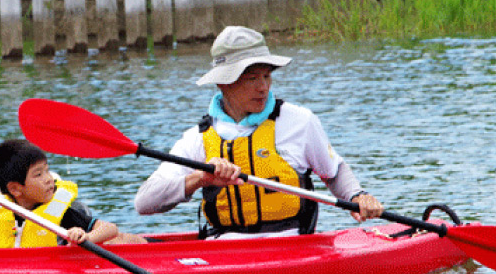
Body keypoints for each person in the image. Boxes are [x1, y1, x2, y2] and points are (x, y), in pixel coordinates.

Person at [134, 26, 384, 239]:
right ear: (223, 82)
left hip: (292, 249)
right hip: (227, 254)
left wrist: (357, 195)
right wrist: (201, 178)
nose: (263, 87)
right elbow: (144, 202)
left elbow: (334, 171)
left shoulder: (299, 122)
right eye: (252, 78)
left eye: (266, 76)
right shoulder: (198, 138)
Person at [0, 138, 146, 247]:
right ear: (15, 189)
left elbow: (110, 228)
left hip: (63, 269)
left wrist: (86, 237)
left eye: (47, 170)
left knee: (120, 240)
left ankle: (149, 246)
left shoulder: (61, 213)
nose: (49, 178)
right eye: (38, 174)